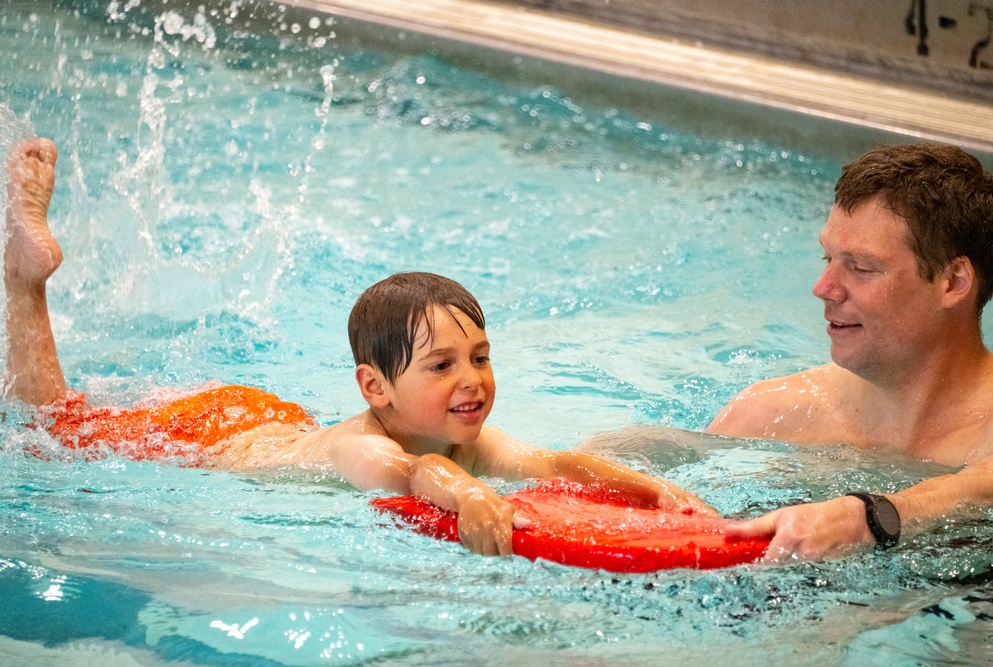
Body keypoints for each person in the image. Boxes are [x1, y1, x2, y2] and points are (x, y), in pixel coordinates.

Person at [3, 137, 712, 557]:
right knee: (54, 426)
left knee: (64, 420)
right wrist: (467, 494)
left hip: (261, 414)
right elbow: (411, 476)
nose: (472, 380)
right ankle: (23, 280)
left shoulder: (460, 432)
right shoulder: (367, 448)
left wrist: (645, 486)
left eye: (481, 356)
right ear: (375, 388)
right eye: (441, 365)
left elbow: (553, 461)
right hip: (197, 438)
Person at [706, 142, 993, 562]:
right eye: (827, 258)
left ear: (953, 281)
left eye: (861, 267)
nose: (823, 288)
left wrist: (869, 518)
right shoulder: (768, 416)